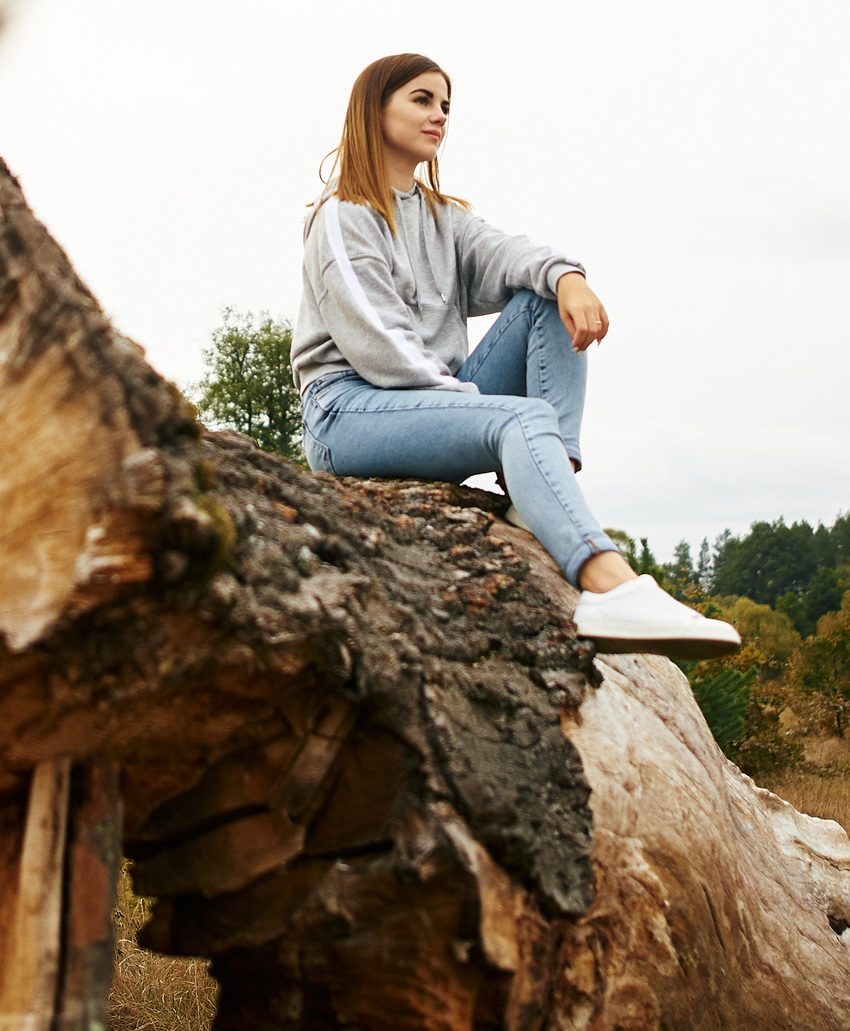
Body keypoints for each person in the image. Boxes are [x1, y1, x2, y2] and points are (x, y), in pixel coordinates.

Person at [293, 52, 740, 656]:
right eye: (421, 100)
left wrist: (567, 278)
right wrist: (487, 414)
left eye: (445, 105)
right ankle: (608, 587)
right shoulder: (342, 217)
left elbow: (510, 254)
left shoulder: (441, 218)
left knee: (544, 298)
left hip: (430, 403)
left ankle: (545, 498)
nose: (439, 117)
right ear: (374, 109)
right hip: (349, 414)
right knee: (522, 418)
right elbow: (383, 349)